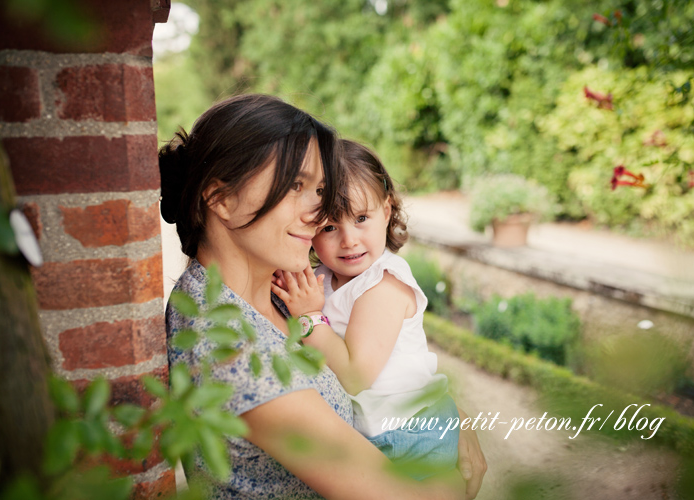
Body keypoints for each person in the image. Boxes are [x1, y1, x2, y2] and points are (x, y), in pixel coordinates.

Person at [160, 94, 486, 500]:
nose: (318, 212)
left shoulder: (278, 287)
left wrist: (448, 418)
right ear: (222, 199)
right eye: (296, 185)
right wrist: (453, 485)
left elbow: (386, 363)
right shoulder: (233, 351)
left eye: (318, 189)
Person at [272, 139, 459, 480]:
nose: (349, 240)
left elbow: (356, 377)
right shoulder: (324, 277)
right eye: (329, 227)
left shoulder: (383, 286)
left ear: (386, 212)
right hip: (378, 430)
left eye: (361, 218)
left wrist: (311, 318)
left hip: (409, 433)